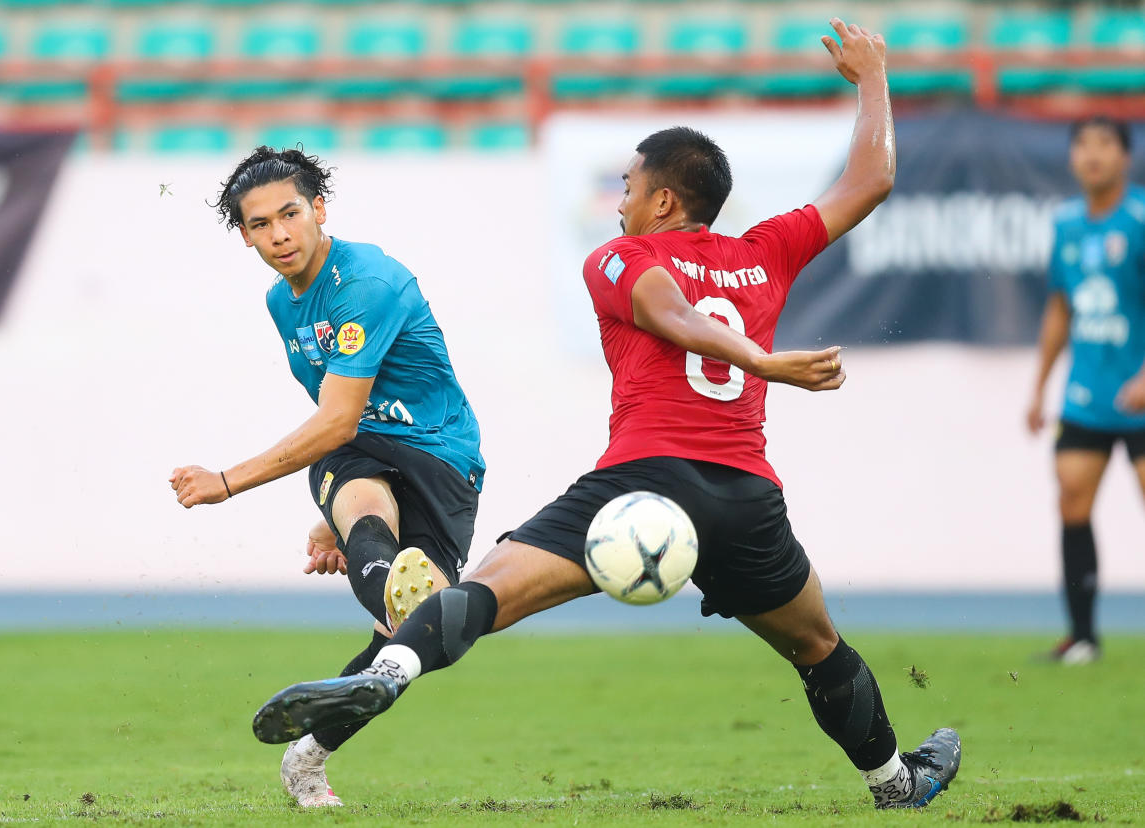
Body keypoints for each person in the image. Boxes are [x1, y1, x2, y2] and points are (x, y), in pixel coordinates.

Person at [252, 20, 962, 810]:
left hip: (641, 484)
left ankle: (387, 675)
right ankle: (896, 781)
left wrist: (756, 359)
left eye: (626, 187)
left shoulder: (622, 257)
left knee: (484, 592)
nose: (617, 201)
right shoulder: (768, 250)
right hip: (745, 499)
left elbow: (666, 311)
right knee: (818, 645)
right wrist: (874, 78)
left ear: (663, 198)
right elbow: (871, 179)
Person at [168, 146, 489, 807]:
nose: (279, 235)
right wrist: (333, 511)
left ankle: (307, 755)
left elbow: (337, 419)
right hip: (361, 454)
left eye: (289, 214)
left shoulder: (365, 283)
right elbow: (343, 424)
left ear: (319, 209)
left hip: (440, 455)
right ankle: (407, 617)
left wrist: (225, 481)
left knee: (403, 640)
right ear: (245, 235)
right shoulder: (281, 302)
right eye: (259, 225)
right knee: (374, 530)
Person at [1026, 115, 1145, 665]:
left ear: (1126, 157)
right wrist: (1039, 386)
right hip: (1086, 396)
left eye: (1105, 144)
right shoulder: (1068, 224)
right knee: (1071, 500)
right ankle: (1083, 636)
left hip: (1140, 394)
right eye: (1082, 145)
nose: (1092, 155)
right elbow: (1059, 307)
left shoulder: (1141, 219)